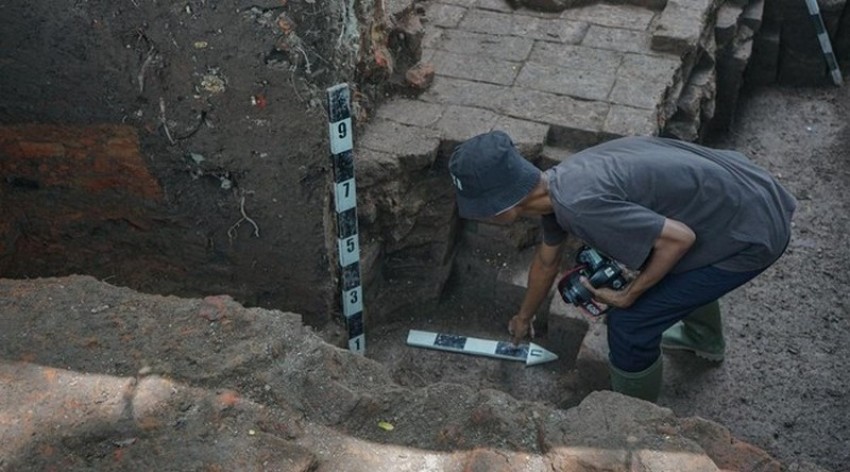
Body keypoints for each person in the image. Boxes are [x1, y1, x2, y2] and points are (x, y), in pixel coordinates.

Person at [448, 130, 796, 402]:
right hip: (746, 191)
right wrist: (524, 317)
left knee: (630, 324)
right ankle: (703, 340)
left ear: (503, 207)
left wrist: (629, 294)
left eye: (480, 208)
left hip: (752, 233)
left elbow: (679, 240)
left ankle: (636, 423)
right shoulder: (558, 183)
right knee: (668, 273)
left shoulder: (580, 206)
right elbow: (546, 260)